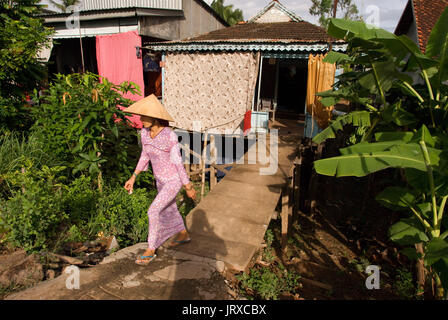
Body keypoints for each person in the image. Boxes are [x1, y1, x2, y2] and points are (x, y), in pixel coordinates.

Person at [123, 94, 196, 265]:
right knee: (170, 208)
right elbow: (144, 156)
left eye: (144, 116)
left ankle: (150, 249)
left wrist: (187, 186)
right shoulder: (144, 133)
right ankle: (183, 234)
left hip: (173, 181)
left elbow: (178, 163)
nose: (140, 119)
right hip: (160, 181)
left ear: (155, 117)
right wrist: (133, 177)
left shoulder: (169, 135)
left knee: (153, 211)